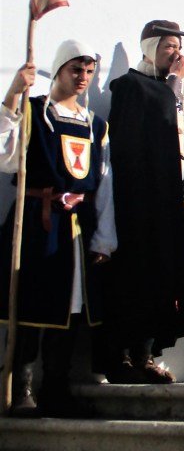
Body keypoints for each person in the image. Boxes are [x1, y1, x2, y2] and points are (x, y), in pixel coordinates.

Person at [0, 42, 116, 416]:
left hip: (77, 230)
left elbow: (104, 185)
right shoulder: (34, 113)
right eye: (75, 70)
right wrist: (13, 94)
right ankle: (21, 389)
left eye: (89, 71)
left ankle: (55, 389)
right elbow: (4, 157)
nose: (83, 78)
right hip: (37, 222)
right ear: (59, 70)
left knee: (71, 309)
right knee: (31, 303)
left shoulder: (96, 126)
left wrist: (103, 239)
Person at [105, 20, 184, 384]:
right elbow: (139, 141)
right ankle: (120, 357)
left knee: (162, 279)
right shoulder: (131, 87)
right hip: (137, 206)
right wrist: (175, 85)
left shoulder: (170, 91)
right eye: (168, 47)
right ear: (149, 49)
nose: (176, 54)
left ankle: (146, 353)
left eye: (179, 47)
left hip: (166, 203)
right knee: (133, 279)